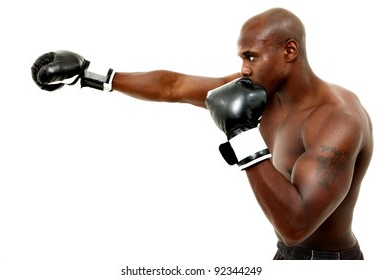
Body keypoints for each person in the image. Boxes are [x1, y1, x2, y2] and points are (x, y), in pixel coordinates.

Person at [31, 7, 373, 260]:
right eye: (242, 57)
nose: (243, 68)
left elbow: (297, 227)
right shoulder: (263, 91)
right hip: (284, 255)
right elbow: (174, 86)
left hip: (330, 263)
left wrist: (241, 135)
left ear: (289, 51)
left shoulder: (336, 120)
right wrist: (93, 75)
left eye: (251, 56)